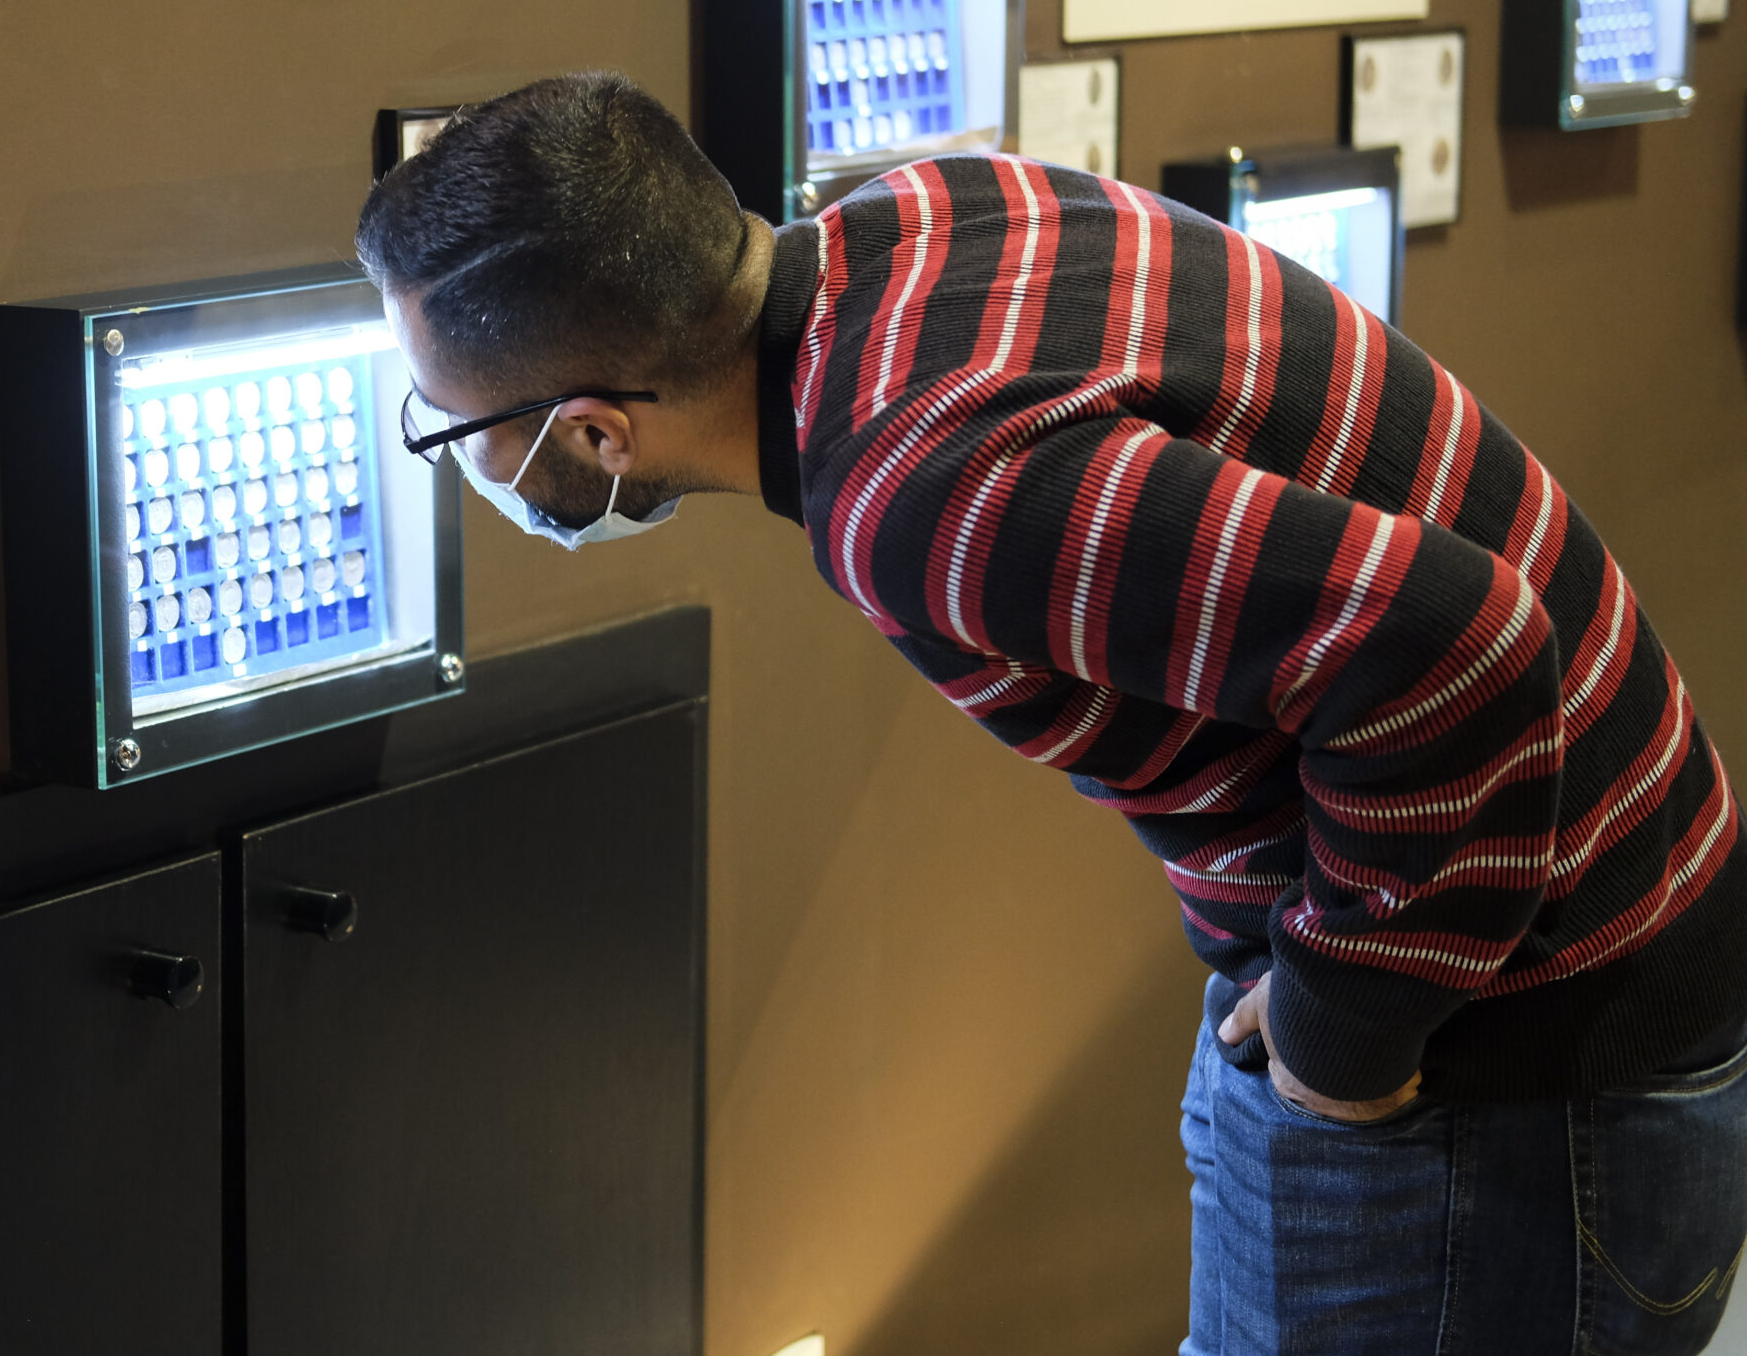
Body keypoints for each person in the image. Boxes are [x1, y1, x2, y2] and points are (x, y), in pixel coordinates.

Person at [356, 72, 1747, 1355]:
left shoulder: (916, 492)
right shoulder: (919, 212)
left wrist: (1340, 1038)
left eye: (450, 426)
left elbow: (1463, 647)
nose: (464, 460)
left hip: (1522, 1047)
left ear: (596, 430)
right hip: (1539, 935)